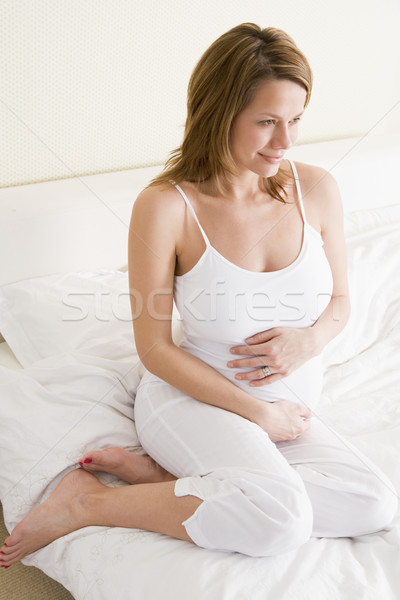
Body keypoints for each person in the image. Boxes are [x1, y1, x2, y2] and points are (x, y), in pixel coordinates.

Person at [1, 23, 397, 567]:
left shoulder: (318, 190)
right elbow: (155, 348)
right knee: (278, 519)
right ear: (219, 113)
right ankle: (89, 502)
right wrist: (257, 413)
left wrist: (309, 341)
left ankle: (169, 481)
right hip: (191, 401)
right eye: (266, 122)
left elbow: (342, 305)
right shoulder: (167, 206)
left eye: (296, 120)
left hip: (288, 410)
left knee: (372, 503)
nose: (285, 141)